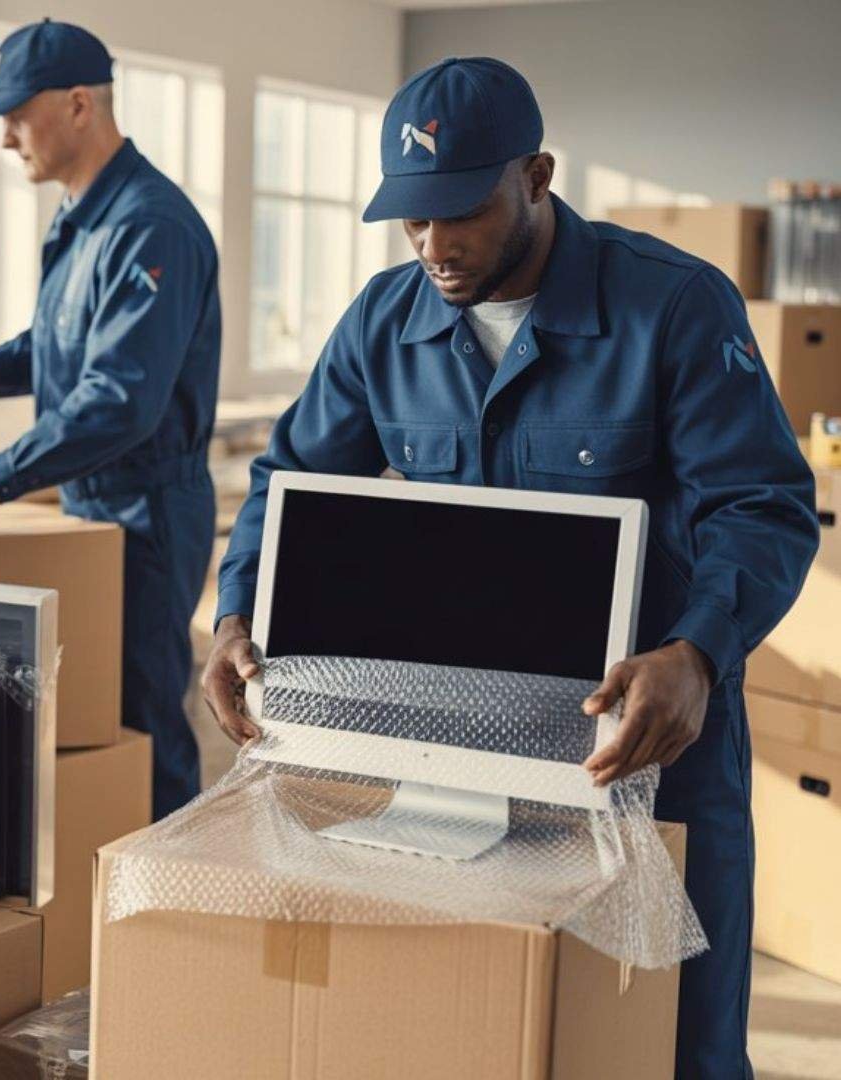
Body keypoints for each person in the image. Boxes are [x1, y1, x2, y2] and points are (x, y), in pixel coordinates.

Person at [202, 57, 818, 1078]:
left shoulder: (674, 307)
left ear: (536, 176)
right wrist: (236, 612)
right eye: (411, 222)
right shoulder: (383, 321)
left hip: (648, 739)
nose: (435, 247)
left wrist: (700, 653)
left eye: (463, 214)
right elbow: (292, 476)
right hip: (451, 742)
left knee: (675, 1044)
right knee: (489, 1024)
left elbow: (760, 506)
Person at [0, 19, 221, 820]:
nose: (3, 139)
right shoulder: (82, 216)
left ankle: (170, 904)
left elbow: (119, 397)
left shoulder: (149, 224)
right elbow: (68, 338)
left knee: (143, 718)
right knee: (93, 718)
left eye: (16, 117)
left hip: (147, 510)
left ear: (78, 106)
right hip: (93, 502)